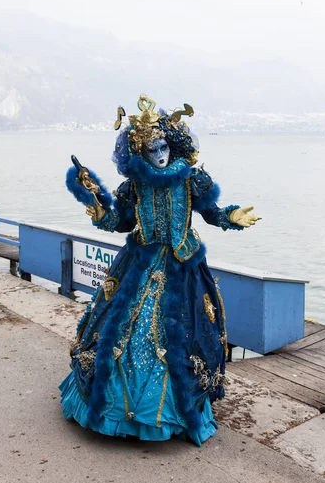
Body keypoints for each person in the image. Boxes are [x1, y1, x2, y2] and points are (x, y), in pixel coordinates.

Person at [59, 94, 260, 446]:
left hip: (182, 264)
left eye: (163, 145)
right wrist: (92, 199)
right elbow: (117, 222)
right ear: (140, 150)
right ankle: (118, 412)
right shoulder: (134, 186)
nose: (159, 153)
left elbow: (210, 213)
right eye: (151, 148)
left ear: (173, 143)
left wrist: (231, 217)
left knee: (182, 336)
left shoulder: (190, 181)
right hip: (139, 262)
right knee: (120, 332)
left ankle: (172, 412)